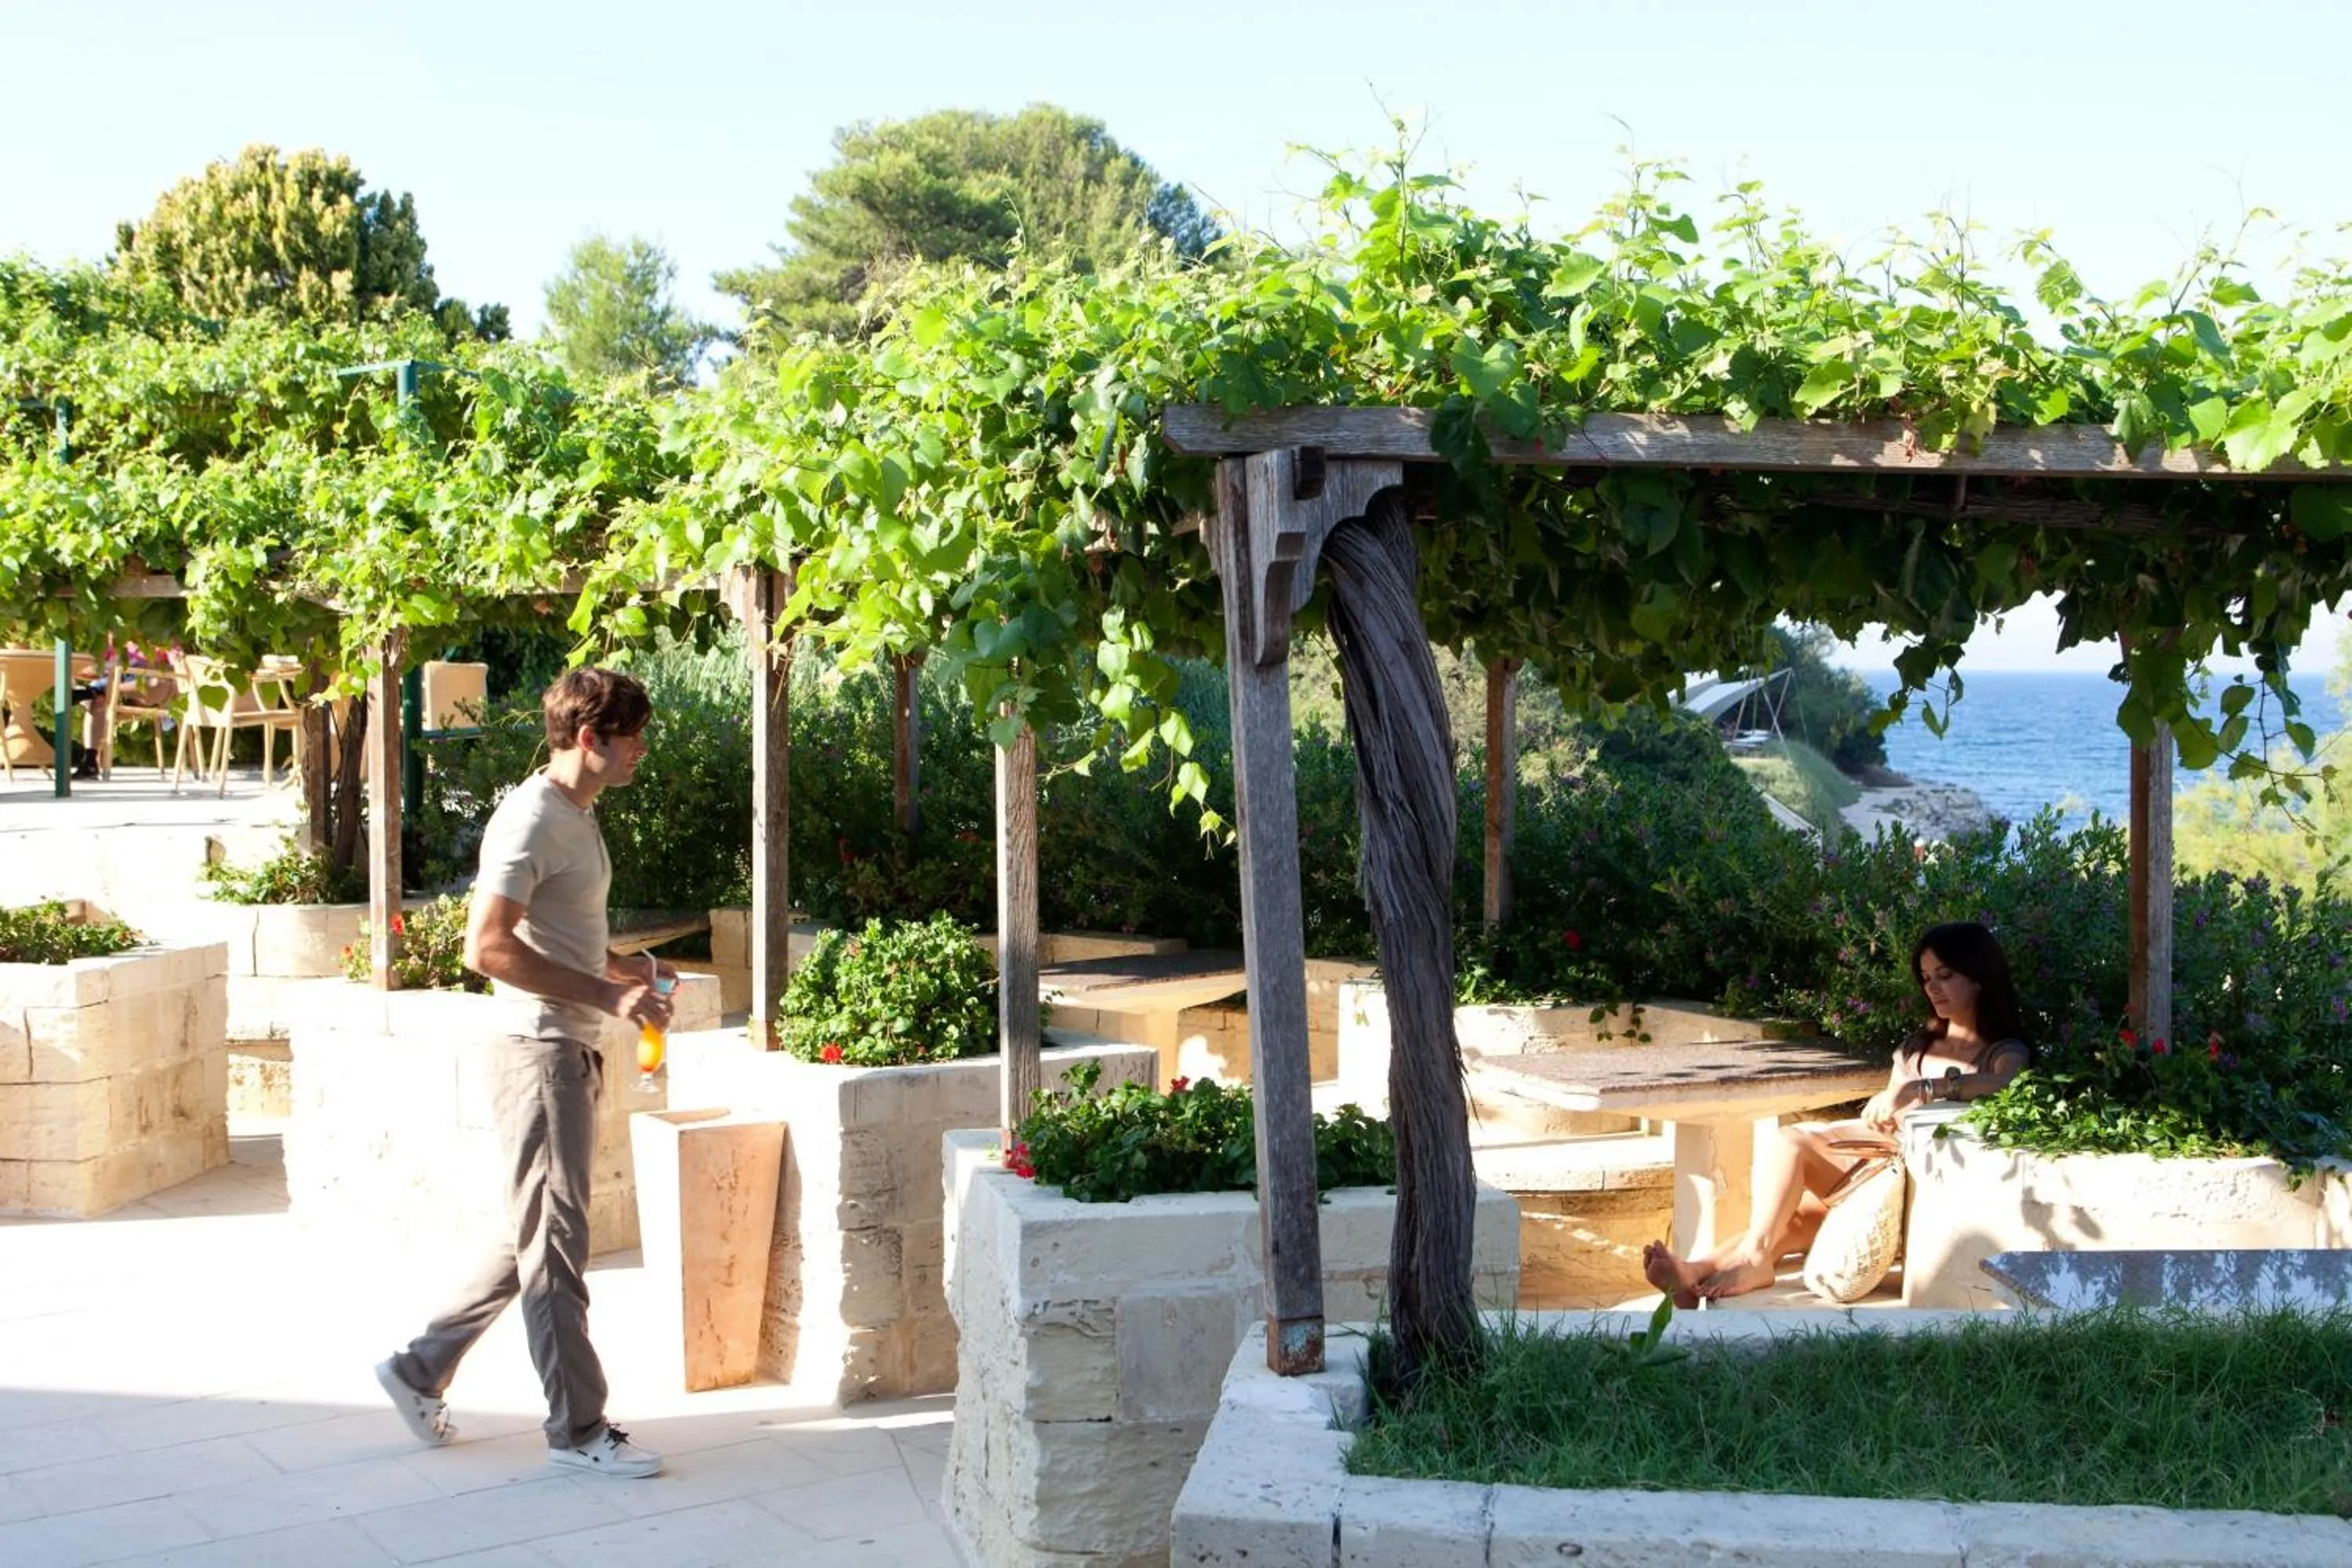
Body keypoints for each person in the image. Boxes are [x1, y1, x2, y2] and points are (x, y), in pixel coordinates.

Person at [373, 667, 676, 1479]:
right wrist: (607, 994)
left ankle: (419, 1369)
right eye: (633, 737)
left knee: (533, 1229)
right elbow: (487, 947)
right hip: (538, 1049)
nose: (642, 750)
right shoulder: (531, 818)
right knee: (556, 1244)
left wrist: (625, 971)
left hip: (564, 1045)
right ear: (590, 737)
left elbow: (557, 938)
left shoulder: (577, 814)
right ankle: (577, 1430)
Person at [1641, 920, 2032, 1305]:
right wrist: (1886, 1106)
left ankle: (1751, 1259)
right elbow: (1889, 1109)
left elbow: (2007, 1082)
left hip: (1908, 1180)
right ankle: (1692, 1275)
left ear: (1979, 977)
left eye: (1945, 975)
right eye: (1926, 977)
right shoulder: (1919, 1046)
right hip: (1875, 1172)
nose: (1932, 988)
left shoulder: (2002, 1051)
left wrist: (1924, 1089)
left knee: (1791, 1143)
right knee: (1794, 1220)